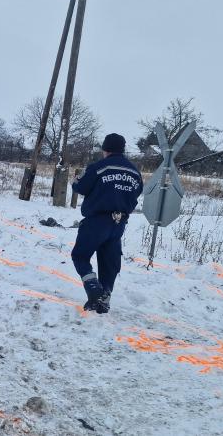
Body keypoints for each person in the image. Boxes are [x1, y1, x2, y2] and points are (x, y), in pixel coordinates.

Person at [70, 133, 143, 314]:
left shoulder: (99, 167)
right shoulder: (135, 172)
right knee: (109, 262)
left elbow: (82, 187)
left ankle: (94, 289)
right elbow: (137, 193)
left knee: (80, 255)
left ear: (105, 149)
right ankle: (105, 297)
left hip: (96, 221)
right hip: (119, 224)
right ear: (123, 149)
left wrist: (75, 182)